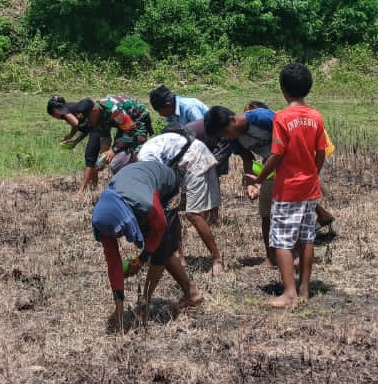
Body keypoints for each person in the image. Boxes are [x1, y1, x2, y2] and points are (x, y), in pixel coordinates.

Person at [245, 62, 328, 308]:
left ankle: (289, 294)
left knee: (281, 239)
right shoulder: (316, 116)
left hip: (288, 188)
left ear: (283, 89)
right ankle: (304, 289)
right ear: (308, 88)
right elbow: (321, 152)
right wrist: (313, 173)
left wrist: (260, 179)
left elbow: (277, 155)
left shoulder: (282, 117)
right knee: (306, 237)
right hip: (310, 187)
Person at [92, 161, 202, 330]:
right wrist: (119, 307)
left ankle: (145, 304)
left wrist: (141, 260)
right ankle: (191, 293)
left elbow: (160, 229)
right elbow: (113, 263)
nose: (118, 237)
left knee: (160, 248)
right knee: (160, 248)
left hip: (166, 187)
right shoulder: (103, 219)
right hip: (136, 185)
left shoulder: (146, 204)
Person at [137, 125, 224, 275]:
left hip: (195, 157)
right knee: (172, 211)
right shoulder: (145, 162)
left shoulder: (148, 161)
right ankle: (179, 256)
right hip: (178, 162)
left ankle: (217, 259)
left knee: (193, 214)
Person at [204, 102, 276, 266]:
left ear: (232, 120)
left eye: (225, 133)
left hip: (289, 165)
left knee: (284, 214)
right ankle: (271, 257)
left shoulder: (262, 118)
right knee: (265, 213)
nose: (227, 138)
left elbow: (290, 138)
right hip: (270, 169)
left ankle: (293, 254)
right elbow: (247, 158)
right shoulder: (234, 139)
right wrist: (250, 184)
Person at [47, 95, 108, 194]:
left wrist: (72, 136)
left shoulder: (64, 113)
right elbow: (85, 127)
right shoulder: (69, 107)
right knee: (91, 158)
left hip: (98, 127)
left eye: (53, 115)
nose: (56, 118)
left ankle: (81, 190)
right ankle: (94, 187)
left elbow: (77, 124)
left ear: (55, 110)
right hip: (98, 126)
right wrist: (74, 140)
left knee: (90, 157)